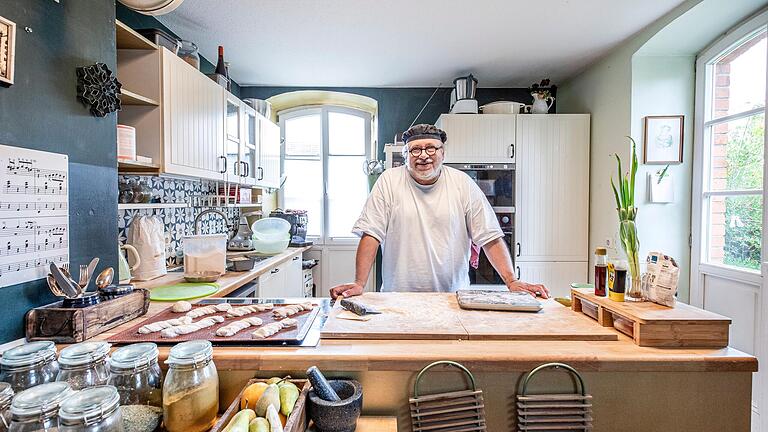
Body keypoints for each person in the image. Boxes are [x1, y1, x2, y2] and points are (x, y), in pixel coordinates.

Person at [330, 123, 549, 299]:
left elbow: (489, 236)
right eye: (415, 149)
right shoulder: (389, 181)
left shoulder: (462, 184)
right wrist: (359, 283)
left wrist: (511, 281)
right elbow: (371, 233)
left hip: (453, 298)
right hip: (397, 297)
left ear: (443, 153)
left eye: (430, 148)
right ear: (406, 155)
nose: (423, 155)